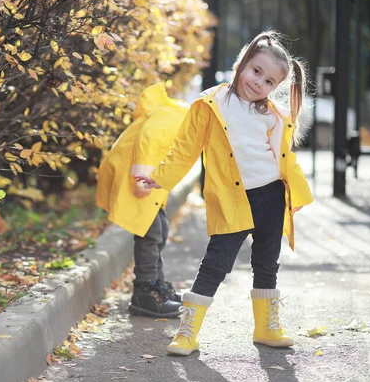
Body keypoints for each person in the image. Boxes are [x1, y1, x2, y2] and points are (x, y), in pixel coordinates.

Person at [134, 31, 313, 355]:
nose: (259, 83)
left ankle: (266, 327)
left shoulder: (272, 113)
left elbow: (284, 158)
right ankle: (187, 331)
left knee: (266, 263)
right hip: (233, 198)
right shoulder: (211, 104)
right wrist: (161, 177)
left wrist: (296, 196)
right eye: (256, 71)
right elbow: (185, 147)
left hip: (271, 196)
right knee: (216, 264)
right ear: (242, 62)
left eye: (269, 81)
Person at [96, 83, 190, 318]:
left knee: (160, 228)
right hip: (136, 176)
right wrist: (142, 176)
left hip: (145, 179)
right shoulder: (177, 117)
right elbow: (149, 137)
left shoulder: (182, 116)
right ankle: (145, 292)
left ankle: (156, 286)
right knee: (150, 232)